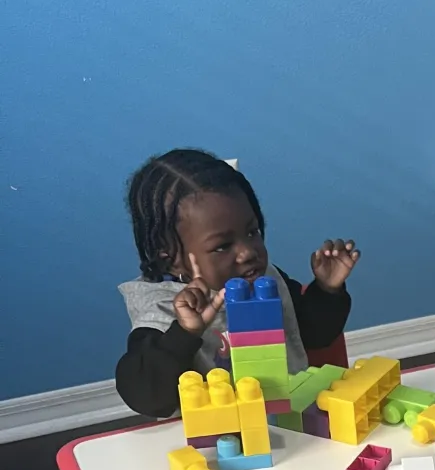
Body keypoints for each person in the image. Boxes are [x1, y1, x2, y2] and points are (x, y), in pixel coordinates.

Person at [116, 149, 360, 419]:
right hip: (219, 442)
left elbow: (312, 336)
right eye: (222, 246)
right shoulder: (160, 311)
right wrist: (185, 333)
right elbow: (148, 399)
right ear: (171, 258)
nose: (248, 252)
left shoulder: (264, 277)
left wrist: (326, 289)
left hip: (291, 421)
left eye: (252, 232)